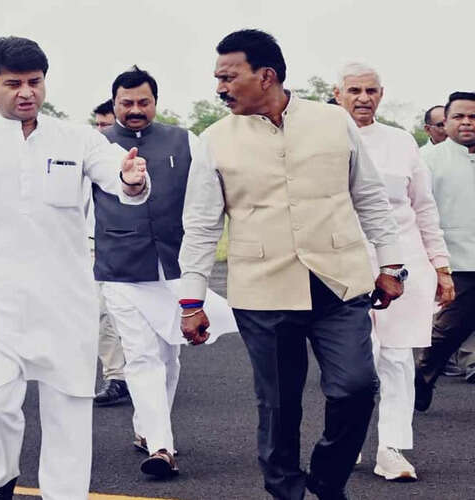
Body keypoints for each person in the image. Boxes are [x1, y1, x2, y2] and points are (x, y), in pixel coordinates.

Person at [0, 36, 150, 500]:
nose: (27, 92)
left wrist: (130, 178)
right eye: (13, 83)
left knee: (70, 416)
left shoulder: (78, 138)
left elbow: (119, 180)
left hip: (66, 301)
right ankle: (1, 473)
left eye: (35, 82)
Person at [179, 29, 404, 499]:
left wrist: (391, 264)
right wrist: (191, 301)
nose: (219, 87)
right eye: (216, 77)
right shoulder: (214, 139)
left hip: (339, 283)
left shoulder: (332, 121)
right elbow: (201, 226)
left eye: (227, 76)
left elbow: (369, 198)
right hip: (262, 290)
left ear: (266, 76)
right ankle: (285, 490)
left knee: (357, 388)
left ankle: (326, 481)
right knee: (278, 406)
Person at [94, 65, 237, 477]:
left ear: (155, 102)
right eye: (127, 103)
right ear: (115, 103)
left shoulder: (185, 140)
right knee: (141, 356)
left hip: (177, 266)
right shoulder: (98, 146)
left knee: (169, 354)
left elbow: (207, 199)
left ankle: (146, 428)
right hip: (121, 268)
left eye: (144, 102)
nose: (136, 110)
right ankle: (162, 446)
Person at [333, 63, 453, 482]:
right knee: (352, 365)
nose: (363, 98)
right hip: (341, 266)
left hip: (402, 266)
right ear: (337, 93)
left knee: (399, 358)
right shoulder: (324, 138)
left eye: (371, 90)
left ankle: (392, 449)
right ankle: (344, 444)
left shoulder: (402, 143)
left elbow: (423, 209)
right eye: (354, 90)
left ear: (381, 95)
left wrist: (441, 266)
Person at [414, 91, 475, 408]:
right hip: (457, 264)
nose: (467, 122)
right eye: (459, 116)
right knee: (446, 334)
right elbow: (418, 212)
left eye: (473, 117)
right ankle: (419, 381)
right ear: (447, 121)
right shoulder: (428, 161)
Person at [89, 97, 130, 409]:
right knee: (101, 312)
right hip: (93, 243)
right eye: (98, 124)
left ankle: (140, 368)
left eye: (107, 124)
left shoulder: (127, 157)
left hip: (130, 244)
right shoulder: (85, 155)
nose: (101, 129)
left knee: (131, 313)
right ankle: (116, 376)